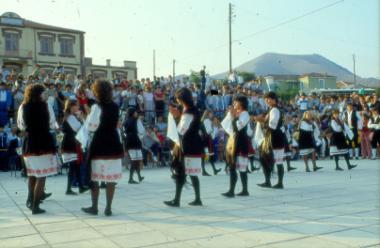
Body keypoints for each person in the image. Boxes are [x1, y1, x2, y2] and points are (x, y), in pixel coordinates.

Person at [81, 80, 124, 216]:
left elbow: (91, 127)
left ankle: (94, 207)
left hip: (100, 143)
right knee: (111, 179)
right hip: (113, 142)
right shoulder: (115, 106)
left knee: (95, 177)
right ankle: (108, 208)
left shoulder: (96, 107)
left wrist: (86, 117)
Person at [17, 84, 58, 214]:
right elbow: (52, 123)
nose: (45, 95)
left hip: (30, 142)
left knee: (32, 174)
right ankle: (35, 206)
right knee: (42, 176)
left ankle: (30, 200)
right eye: (43, 93)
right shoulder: (47, 106)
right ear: (38, 94)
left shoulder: (23, 106)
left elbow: (21, 126)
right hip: (44, 142)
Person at [164, 88, 203, 207]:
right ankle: (197, 199)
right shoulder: (192, 110)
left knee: (181, 173)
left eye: (178, 98)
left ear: (181, 99)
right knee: (191, 174)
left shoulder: (189, 112)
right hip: (193, 145)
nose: (177, 100)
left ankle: (177, 200)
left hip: (187, 146)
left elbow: (181, 130)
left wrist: (176, 117)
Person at [221, 95, 250, 197]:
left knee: (242, 168)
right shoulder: (236, 113)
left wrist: (233, 117)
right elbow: (227, 126)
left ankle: (244, 190)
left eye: (235, 102)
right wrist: (231, 115)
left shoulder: (245, 114)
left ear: (241, 103)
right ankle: (231, 190)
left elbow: (238, 127)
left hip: (241, 143)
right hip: (233, 141)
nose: (234, 104)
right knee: (232, 166)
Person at [256, 92, 286, 189]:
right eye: (266, 99)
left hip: (276, 138)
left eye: (268, 99)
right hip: (271, 138)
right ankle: (268, 181)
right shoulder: (270, 110)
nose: (267, 101)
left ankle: (279, 183)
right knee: (267, 159)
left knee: (278, 161)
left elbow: (272, 126)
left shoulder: (275, 110)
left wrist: (262, 121)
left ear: (274, 99)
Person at [61, 99, 88, 195]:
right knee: (72, 166)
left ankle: (80, 187)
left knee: (76, 166)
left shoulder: (71, 117)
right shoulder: (70, 117)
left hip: (72, 142)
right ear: (71, 106)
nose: (78, 107)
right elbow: (79, 129)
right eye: (76, 105)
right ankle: (68, 189)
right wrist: (81, 119)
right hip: (70, 143)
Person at [124, 108, 145, 184]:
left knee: (136, 160)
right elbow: (140, 131)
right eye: (136, 112)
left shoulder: (127, 121)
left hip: (132, 142)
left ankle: (139, 176)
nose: (137, 113)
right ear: (133, 113)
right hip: (133, 142)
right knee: (134, 161)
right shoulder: (134, 121)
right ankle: (130, 178)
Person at [201, 110, 221, 176]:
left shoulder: (206, 121)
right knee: (205, 155)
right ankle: (204, 171)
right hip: (206, 138)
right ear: (207, 114)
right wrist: (212, 127)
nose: (212, 115)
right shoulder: (207, 121)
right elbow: (208, 130)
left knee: (209, 154)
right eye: (211, 113)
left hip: (206, 138)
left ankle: (214, 169)